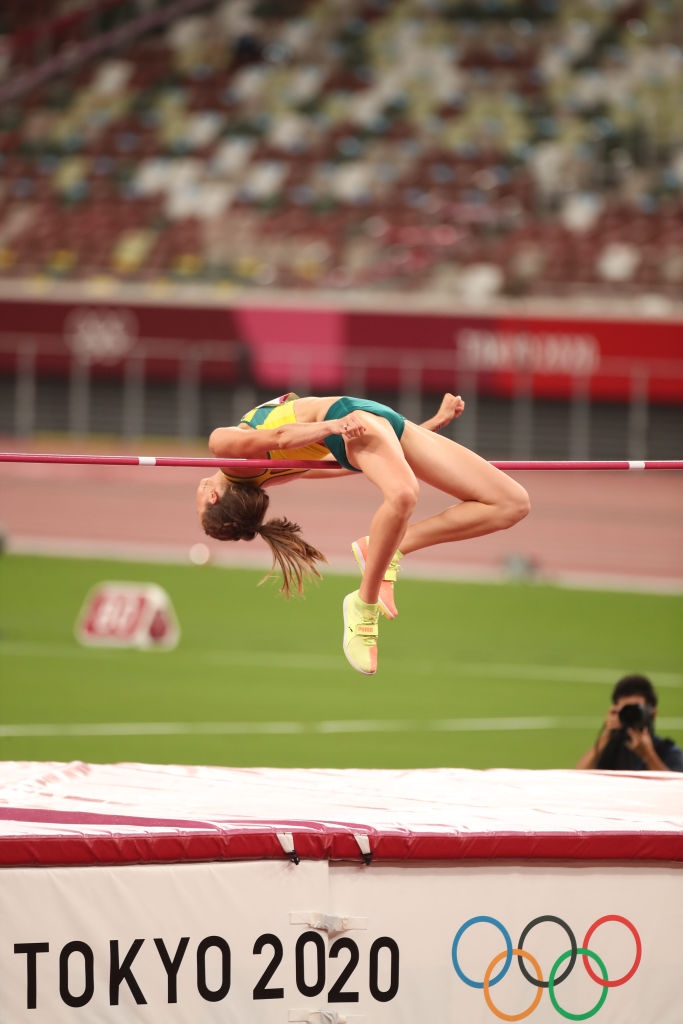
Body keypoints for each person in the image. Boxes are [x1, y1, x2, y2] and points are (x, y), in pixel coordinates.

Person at [196, 392, 530, 676]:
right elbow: (288, 440)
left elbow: (296, 442)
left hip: (374, 422)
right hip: (357, 423)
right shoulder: (232, 456)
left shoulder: (261, 470)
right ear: (212, 497)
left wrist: (428, 427)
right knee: (404, 496)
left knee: (512, 504)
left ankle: (386, 550)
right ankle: (363, 604)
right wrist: (336, 426)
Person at [575, 674, 683, 772]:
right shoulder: (611, 748)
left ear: (653, 713)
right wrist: (606, 735)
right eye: (626, 710)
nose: (631, 715)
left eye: (636, 710)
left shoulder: (667, 750)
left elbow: (675, 787)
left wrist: (648, 756)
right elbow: (579, 775)